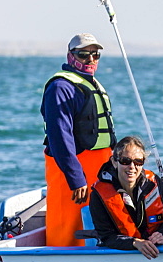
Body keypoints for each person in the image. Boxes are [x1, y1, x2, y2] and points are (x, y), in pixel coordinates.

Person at [41, 33, 116, 246]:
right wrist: (76, 177)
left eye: (95, 54)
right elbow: (59, 136)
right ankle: (59, 260)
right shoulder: (60, 87)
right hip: (73, 169)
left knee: (96, 218)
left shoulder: (90, 84)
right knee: (68, 221)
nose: (91, 60)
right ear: (70, 56)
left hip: (99, 168)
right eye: (83, 54)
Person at [89, 136, 163, 259]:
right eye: (125, 161)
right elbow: (106, 236)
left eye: (138, 162)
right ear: (114, 162)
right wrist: (134, 243)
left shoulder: (153, 182)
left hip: (158, 249)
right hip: (119, 253)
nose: (132, 167)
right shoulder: (98, 193)